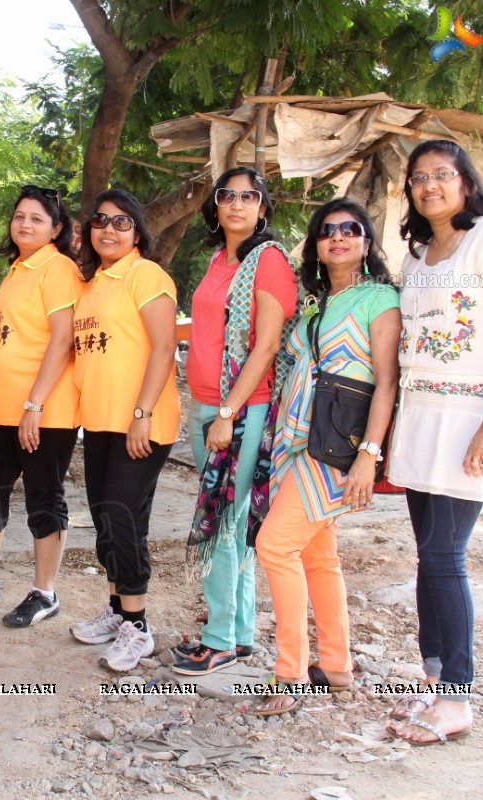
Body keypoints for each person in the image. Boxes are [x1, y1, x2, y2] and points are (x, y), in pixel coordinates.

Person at [386, 139, 483, 745]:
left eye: (441, 175)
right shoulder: (418, 254)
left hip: (471, 416)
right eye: (418, 178)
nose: (429, 186)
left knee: (446, 557)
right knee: (427, 555)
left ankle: (458, 698)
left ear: (465, 182)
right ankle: (433, 681)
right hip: (421, 417)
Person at [252, 198, 400, 714]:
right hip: (295, 441)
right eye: (326, 230)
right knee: (318, 555)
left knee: (274, 547)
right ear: (315, 244)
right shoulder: (314, 303)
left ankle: (289, 673)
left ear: (366, 241)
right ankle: (336, 664)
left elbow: (386, 383)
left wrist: (369, 455)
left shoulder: (378, 298)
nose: (337, 237)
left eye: (350, 229)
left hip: (336, 447)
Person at [171, 167, 296, 676]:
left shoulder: (267, 261)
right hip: (209, 405)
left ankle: (218, 639)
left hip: (239, 410)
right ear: (216, 206)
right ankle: (240, 633)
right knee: (234, 523)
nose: (238, 204)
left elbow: (266, 344)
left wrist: (225, 413)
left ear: (263, 208)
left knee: (221, 521)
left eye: (250, 197)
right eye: (228, 196)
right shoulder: (221, 260)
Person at [0, 184, 81, 627]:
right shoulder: (16, 269)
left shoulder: (57, 268)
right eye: (19, 216)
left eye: (37, 219)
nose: (25, 224)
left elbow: (63, 341)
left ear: (56, 229)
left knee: (44, 499)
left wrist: (35, 404)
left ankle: (44, 593)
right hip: (1, 410)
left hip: (44, 411)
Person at [70, 189, 179, 672]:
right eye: (101, 222)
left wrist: (143, 414)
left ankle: (138, 627)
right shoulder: (92, 284)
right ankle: (117, 612)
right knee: (105, 519)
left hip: (141, 422)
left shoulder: (146, 274)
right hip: (100, 421)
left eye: (121, 223)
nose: (109, 230)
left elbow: (162, 348)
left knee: (122, 518)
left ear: (137, 232)